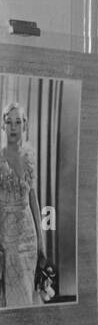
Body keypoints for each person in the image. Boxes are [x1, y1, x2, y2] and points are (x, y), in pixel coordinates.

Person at [0, 103, 42, 309]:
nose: (13, 127)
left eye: (18, 122)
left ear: (25, 125)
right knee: (11, 300)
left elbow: (33, 198)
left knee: (27, 296)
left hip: (29, 237)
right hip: (7, 236)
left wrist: (41, 240)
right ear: (3, 126)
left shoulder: (30, 155)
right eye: (9, 122)